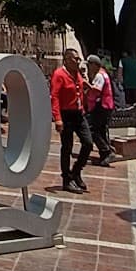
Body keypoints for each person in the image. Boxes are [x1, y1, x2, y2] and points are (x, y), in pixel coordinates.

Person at [50, 49, 92, 193]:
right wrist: (57, 119)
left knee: (88, 143)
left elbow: (77, 87)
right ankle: (66, 179)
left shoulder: (77, 73)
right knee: (67, 147)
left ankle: (76, 171)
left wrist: (84, 86)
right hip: (66, 114)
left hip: (79, 114)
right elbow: (54, 96)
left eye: (79, 59)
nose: (78, 61)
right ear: (67, 60)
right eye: (75, 59)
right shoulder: (59, 74)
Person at [85, 55, 118, 166]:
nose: (88, 67)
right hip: (105, 105)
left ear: (95, 65)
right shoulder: (104, 74)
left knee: (93, 130)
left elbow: (97, 90)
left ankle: (106, 151)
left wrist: (87, 86)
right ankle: (105, 154)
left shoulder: (99, 75)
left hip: (101, 106)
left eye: (89, 64)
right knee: (101, 129)